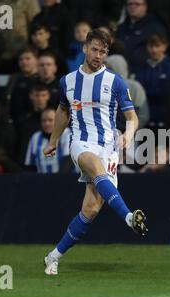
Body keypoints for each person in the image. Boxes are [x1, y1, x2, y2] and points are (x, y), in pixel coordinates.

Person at [42, 29, 148, 275]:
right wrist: (54, 140)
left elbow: (132, 117)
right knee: (95, 168)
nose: (98, 55)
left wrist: (128, 134)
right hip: (81, 142)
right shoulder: (67, 81)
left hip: (108, 147)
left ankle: (53, 256)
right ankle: (129, 218)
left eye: (103, 51)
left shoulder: (115, 82)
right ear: (84, 48)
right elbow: (62, 111)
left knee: (90, 209)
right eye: (94, 49)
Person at [135, 33, 170, 129]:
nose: (154, 50)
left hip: (164, 120)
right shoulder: (142, 68)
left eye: (157, 46)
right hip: (146, 119)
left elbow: (167, 91)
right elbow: (138, 89)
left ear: (164, 47)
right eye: (151, 46)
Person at [25, 108, 71, 173]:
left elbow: (68, 161)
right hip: (42, 181)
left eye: (50, 120)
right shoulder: (35, 138)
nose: (47, 123)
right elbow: (30, 165)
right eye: (44, 121)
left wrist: (57, 179)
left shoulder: (66, 134)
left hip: (65, 179)